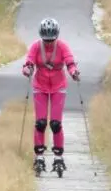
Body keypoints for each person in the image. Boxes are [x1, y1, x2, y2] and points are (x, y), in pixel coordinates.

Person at [21, 18, 80, 174]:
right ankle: (39, 156)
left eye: (51, 39)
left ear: (56, 36)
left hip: (58, 87)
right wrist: (27, 69)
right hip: (40, 86)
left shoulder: (62, 46)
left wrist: (74, 72)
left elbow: (70, 62)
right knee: (40, 123)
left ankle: (59, 157)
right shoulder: (35, 46)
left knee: (55, 124)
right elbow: (29, 61)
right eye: (46, 39)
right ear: (41, 36)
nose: (49, 43)